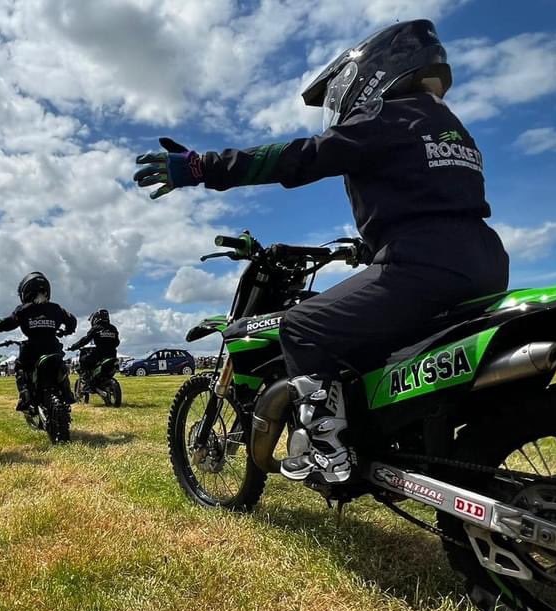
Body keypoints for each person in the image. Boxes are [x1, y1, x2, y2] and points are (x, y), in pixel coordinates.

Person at [134, 19, 509, 486]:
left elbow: (303, 155)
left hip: (422, 263)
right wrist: (369, 245)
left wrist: (202, 166)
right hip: (484, 260)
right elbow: (428, 198)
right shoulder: (448, 127)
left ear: (372, 73)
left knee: (303, 325)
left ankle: (328, 451)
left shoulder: (384, 116)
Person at [0, 272, 76, 411]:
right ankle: (67, 392)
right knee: (60, 364)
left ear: (26, 291)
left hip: (33, 349)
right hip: (53, 346)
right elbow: (72, 321)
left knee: (20, 368)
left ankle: (25, 397)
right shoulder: (57, 308)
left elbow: (4, 324)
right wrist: (66, 331)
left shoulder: (23, 310)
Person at [68, 309, 120, 390]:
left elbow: (85, 340)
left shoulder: (96, 328)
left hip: (100, 354)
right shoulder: (113, 328)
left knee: (84, 359)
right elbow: (117, 342)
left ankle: (87, 380)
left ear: (96, 318)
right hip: (112, 354)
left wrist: (73, 347)